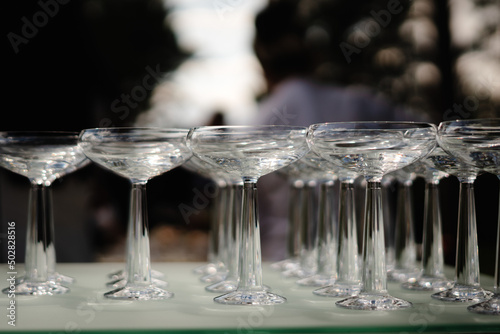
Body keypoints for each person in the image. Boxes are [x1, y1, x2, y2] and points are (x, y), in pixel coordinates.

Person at [252, 0, 430, 260]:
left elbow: (254, 215)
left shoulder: (258, 122)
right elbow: (432, 136)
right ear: (314, 55)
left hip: (286, 264)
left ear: (261, 59)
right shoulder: (361, 103)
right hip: (374, 258)